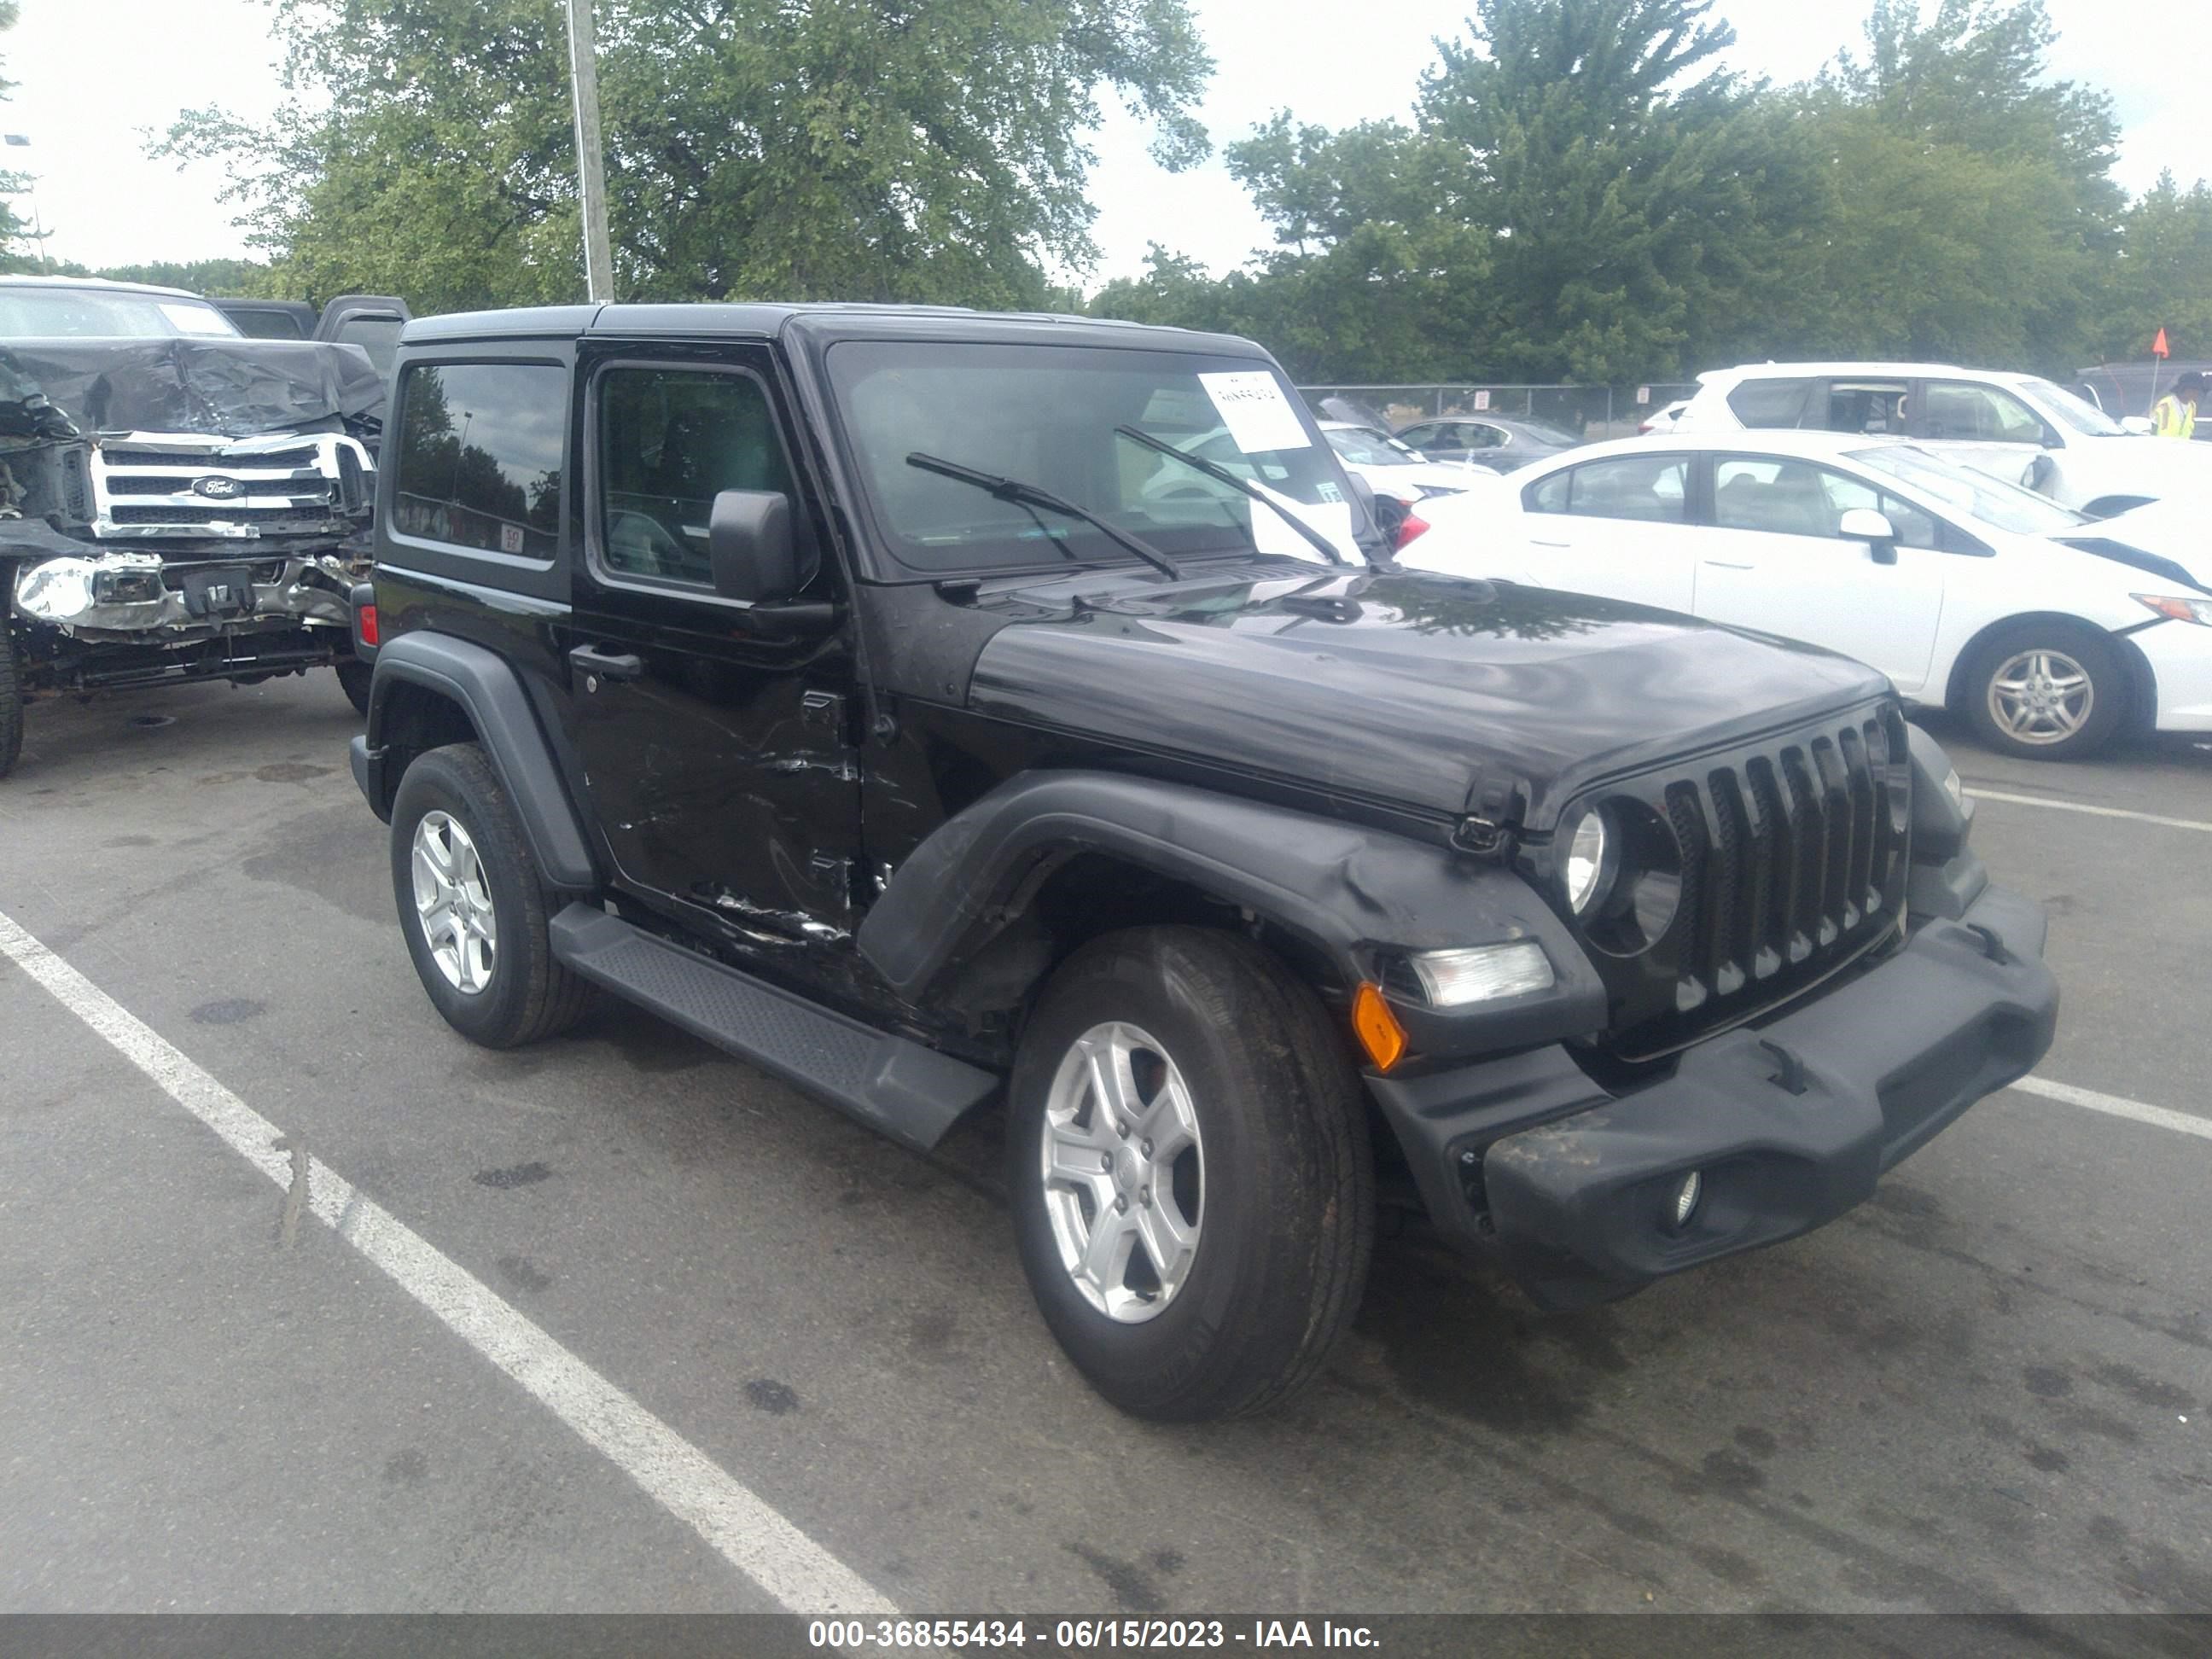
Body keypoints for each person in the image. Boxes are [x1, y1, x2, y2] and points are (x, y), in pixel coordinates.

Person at [2150, 370, 2204, 439]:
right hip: (2164, 446)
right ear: (2183, 388)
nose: (2196, 393)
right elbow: (2162, 432)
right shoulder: (2165, 405)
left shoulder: (2192, 406)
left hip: (2184, 447)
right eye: (2193, 389)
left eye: (2198, 390)